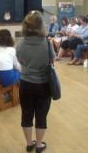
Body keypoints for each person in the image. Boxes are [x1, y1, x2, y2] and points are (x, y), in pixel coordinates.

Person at [16, 10, 55, 153]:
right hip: (43, 84)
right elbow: (52, 59)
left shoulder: (20, 44)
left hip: (25, 83)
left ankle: (29, 143)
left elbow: (20, 60)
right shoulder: (47, 42)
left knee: (26, 114)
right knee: (41, 115)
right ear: (41, 26)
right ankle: (39, 145)